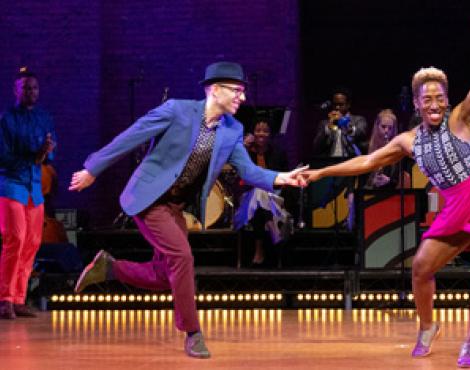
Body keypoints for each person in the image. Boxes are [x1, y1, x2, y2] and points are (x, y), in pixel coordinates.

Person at [300, 15, 470, 368]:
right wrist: (320, 171)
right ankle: (428, 327)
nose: (433, 103)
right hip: (455, 207)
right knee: (421, 269)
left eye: (439, 97)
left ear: (447, 99)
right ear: (416, 103)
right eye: (426, 99)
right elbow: (366, 163)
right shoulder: (407, 141)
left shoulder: (461, 117)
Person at [69, 61, 303, 358]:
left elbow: (248, 170)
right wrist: (93, 169)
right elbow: (132, 135)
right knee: (182, 257)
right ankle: (193, 333)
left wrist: (283, 178)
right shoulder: (177, 111)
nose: (242, 97)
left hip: (174, 207)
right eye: (237, 91)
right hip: (149, 198)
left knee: (167, 275)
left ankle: (112, 268)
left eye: (243, 91)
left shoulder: (232, 130)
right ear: (215, 90)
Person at [0, 68, 56, 319]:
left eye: (34, 88)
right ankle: (5, 299)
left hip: (34, 186)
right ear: (16, 91)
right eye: (25, 88)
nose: (30, 92)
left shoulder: (44, 117)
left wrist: (45, 151)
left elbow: (50, 153)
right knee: (16, 239)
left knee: (32, 243)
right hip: (11, 183)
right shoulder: (6, 119)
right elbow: (4, 156)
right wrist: (33, 155)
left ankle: (19, 298)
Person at [235, 118, 290, 266]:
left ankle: (258, 250)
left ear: (270, 134)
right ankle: (272, 227)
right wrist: (243, 148)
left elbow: (284, 179)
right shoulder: (245, 153)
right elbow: (240, 177)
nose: (261, 134)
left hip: (274, 199)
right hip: (248, 198)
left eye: (265, 131)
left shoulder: (278, 153)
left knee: (261, 196)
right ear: (252, 133)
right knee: (258, 191)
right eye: (258, 130)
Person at [313, 87, 368, 158]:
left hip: (351, 162)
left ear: (348, 105)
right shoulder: (324, 123)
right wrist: (328, 128)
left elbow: (360, 132)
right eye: (335, 104)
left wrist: (343, 121)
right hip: (330, 163)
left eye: (341, 104)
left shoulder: (359, 120)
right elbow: (316, 147)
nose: (337, 107)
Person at [365, 109, 409, 189]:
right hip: (368, 192)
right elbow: (361, 178)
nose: (386, 131)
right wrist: (372, 180)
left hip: (389, 193)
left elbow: (397, 180)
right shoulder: (366, 147)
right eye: (383, 126)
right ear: (377, 126)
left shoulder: (397, 150)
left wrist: (388, 180)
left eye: (390, 128)